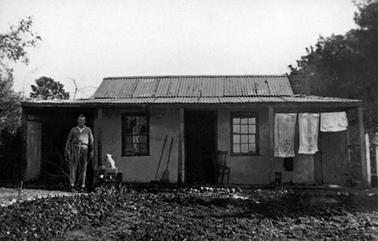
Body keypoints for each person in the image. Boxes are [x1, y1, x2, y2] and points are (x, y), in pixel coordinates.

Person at [65, 114, 94, 191]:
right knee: (73, 166)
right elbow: (69, 140)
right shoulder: (73, 130)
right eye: (80, 120)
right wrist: (67, 150)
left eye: (83, 120)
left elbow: (91, 141)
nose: (81, 122)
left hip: (84, 147)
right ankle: (72, 185)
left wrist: (92, 150)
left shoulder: (88, 129)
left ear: (85, 121)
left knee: (83, 166)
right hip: (75, 147)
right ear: (77, 121)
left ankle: (82, 185)